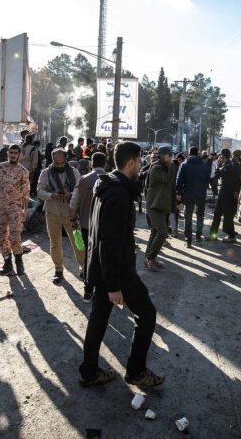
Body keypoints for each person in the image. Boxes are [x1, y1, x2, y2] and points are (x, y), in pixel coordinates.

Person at [78, 141, 164, 388]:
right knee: (147, 314)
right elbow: (109, 242)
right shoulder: (117, 195)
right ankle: (136, 371)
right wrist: (114, 285)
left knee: (98, 319)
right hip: (116, 272)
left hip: (104, 269)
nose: (141, 165)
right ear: (131, 162)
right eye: (139, 161)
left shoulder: (107, 185)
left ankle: (89, 371)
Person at [37, 148, 86, 283]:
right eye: (56, 163)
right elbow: (39, 191)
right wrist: (52, 195)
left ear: (65, 161)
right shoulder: (46, 173)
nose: (59, 166)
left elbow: (80, 190)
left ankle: (83, 268)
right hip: (52, 212)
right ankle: (58, 270)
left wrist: (71, 194)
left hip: (71, 213)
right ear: (52, 161)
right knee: (55, 243)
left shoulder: (74, 172)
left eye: (61, 163)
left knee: (78, 242)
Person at [0, 144, 29, 279]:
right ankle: (7, 263)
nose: (13, 155)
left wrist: (25, 211)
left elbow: (26, 194)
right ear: (8, 153)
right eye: (11, 152)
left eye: (16, 153)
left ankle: (18, 260)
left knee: (14, 234)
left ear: (19, 155)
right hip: (1, 208)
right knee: (2, 235)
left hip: (15, 208)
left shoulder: (23, 171)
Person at [70, 152, 108, 303]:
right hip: (106, 226)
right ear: (105, 164)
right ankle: (105, 291)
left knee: (89, 258)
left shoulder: (83, 180)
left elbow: (74, 203)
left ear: (91, 164)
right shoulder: (112, 180)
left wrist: (73, 219)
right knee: (105, 257)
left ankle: (88, 290)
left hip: (86, 225)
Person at [144, 146, 175, 271]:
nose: (172, 157)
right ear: (163, 155)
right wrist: (173, 165)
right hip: (154, 205)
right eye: (170, 155)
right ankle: (150, 258)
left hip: (160, 204)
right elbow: (168, 180)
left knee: (155, 232)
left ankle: (148, 258)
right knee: (162, 232)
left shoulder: (163, 167)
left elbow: (171, 186)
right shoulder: (157, 167)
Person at [176, 146, 210, 248]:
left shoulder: (184, 164)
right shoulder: (204, 165)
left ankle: (188, 240)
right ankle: (198, 236)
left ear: (189, 154)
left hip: (188, 194)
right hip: (201, 194)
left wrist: (179, 192)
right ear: (198, 154)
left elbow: (179, 180)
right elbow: (207, 179)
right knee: (200, 215)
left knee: (188, 216)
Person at [209, 149, 239, 243]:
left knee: (225, 216)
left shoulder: (228, 166)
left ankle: (231, 235)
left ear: (223, 156)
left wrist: (217, 165)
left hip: (226, 194)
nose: (219, 158)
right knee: (219, 215)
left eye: (220, 156)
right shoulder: (229, 165)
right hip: (226, 194)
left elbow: (217, 175)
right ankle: (213, 235)